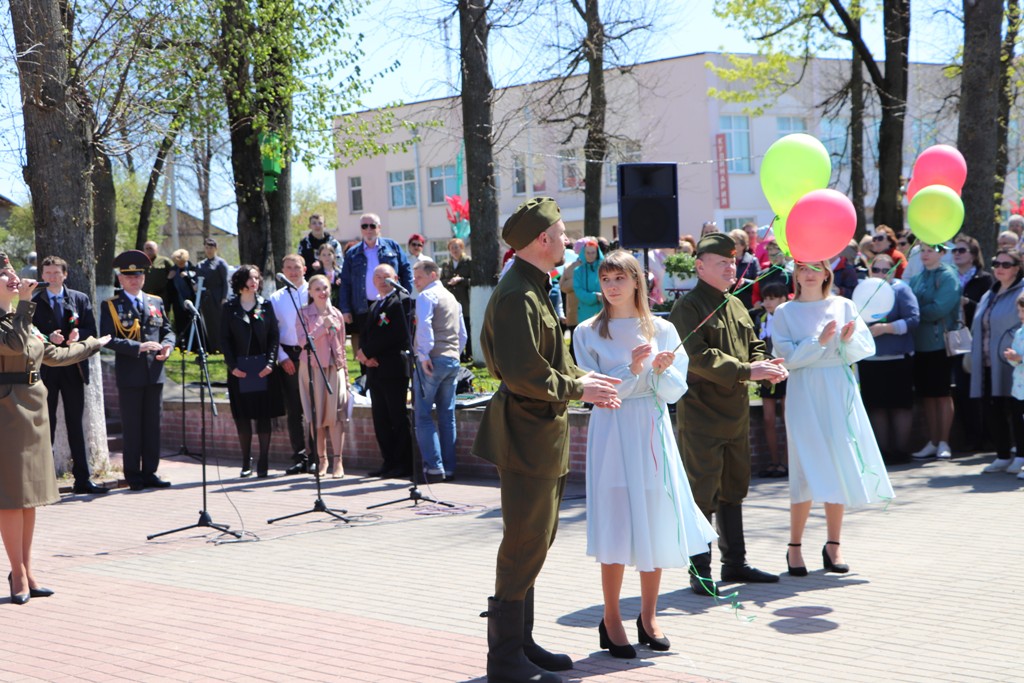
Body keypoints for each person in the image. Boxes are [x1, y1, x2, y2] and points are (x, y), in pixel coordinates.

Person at [473, 197, 622, 682]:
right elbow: (523, 374)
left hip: (540, 433)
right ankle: (504, 659)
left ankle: (521, 643)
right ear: (541, 240)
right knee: (524, 541)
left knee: (536, 540)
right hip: (525, 433)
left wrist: (584, 378)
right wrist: (580, 389)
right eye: (560, 234)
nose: (567, 240)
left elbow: (551, 360)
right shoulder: (518, 294)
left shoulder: (533, 286)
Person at [574, 250, 717, 658]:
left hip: (652, 431)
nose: (612, 286)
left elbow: (674, 391)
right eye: (606, 279)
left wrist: (661, 370)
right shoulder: (586, 332)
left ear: (637, 280)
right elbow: (593, 390)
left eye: (620, 278)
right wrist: (633, 371)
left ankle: (649, 616)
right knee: (616, 522)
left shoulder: (664, 329)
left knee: (654, 518)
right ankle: (611, 618)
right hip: (612, 431)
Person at [669, 232, 787, 597]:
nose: (730, 268)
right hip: (702, 414)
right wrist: (748, 370)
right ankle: (700, 570)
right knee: (702, 492)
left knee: (734, 488)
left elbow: (753, 344)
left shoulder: (734, 304)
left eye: (733, 262)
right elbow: (697, 356)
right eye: (722, 263)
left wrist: (765, 364)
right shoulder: (688, 307)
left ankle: (735, 562)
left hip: (734, 414)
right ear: (700, 266)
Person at [771, 260, 894, 577]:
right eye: (803, 268)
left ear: (827, 272)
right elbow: (786, 358)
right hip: (804, 390)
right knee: (804, 465)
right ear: (795, 274)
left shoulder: (843, 305)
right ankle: (794, 546)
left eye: (816, 267)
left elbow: (864, 348)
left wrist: (849, 339)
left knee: (839, 460)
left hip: (838, 387)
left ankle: (833, 544)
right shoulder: (784, 312)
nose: (809, 274)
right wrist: (820, 341)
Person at [0, 253, 109, 604]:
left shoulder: (22, 318)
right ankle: (17, 574)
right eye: (5, 275)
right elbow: (14, 345)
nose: (14, 278)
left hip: (34, 410)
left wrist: (93, 344)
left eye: (13, 272)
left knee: (29, 497)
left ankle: (26, 570)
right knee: (11, 497)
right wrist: (25, 302)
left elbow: (52, 354)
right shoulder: (16, 317)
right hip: (7, 412)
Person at [31, 256, 107, 495]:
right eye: (48, 273)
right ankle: (45, 481)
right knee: (47, 424)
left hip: (74, 368)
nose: (52, 277)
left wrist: (78, 335)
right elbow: (29, 334)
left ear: (65, 275)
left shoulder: (79, 298)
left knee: (76, 423)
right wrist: (48, 337)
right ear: (42, 276)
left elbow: (91, 330)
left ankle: (82, 479)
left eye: (57, 273)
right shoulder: (34, 301)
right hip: (47, 369)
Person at [100, 250, 176, 491]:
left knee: (153, 426)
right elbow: (108, 338)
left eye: (138, 276)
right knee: (132, 427)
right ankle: (133, 475)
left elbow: (167, 330)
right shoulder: (111, 305)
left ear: (144, 277)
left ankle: (150, 472)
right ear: (120, 279)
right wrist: (137, 347)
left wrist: (168, 345)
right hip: (130, 374)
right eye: (129, 276)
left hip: (155, 372)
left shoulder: (156, 302)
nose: (134, 280)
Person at [221, 266, 285, 478]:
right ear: (240, 281)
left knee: (263, 416)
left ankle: (263, 460)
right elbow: (224, 340)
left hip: (263, 369)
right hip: (239, 370)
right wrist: (233, 366)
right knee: (243, 417)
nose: (254, 281)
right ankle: (245, 459)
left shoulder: (265, 305)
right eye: (250, 278)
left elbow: (274, 336)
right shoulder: (229, 307)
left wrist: (270, 363)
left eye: (257, 278)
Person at [858, 253, 920, 464]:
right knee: (876, 406)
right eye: (876, 270)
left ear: (894, 271)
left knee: (900, 405)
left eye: (886, 270)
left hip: (898, 358)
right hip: (870, 360)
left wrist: (887, 328)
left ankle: (901, 451)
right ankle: (883, 453)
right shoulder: (863, 291)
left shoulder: (901, 290)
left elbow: (914, 319)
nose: (881, 274)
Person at [356, 265, 414, 479]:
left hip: (393, 368)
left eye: (386, 276)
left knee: (397, 417)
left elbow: (397, 334)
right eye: (378, 277)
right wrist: (364, 355)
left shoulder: (401, 301)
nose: (382, 280)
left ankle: (404, 463)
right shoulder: (375, 304)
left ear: (395, 278)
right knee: (380, 418)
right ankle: (388, 461)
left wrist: (368, 352)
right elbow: (365, 333)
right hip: (374, 369)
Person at [412, 260, 467, 482]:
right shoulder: (452, 298)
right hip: (452, 359)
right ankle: (449, 468)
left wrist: (424, 354)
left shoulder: (427, 296)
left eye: (419, 277)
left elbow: (424, 325)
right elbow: (462, 334)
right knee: (447, 415)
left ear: (433, 275)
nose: (415, 281)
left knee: (423, 415)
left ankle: (434, 468)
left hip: (433, 360)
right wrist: (455, 354)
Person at [971, 248, 1024, 473]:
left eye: (1006, 264)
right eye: (996, 264)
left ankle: (1020, 455)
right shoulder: (989, 294)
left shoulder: (1021, 292)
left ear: (1017, 268)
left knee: (1016, 409)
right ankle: (1002, 454)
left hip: (1014, 363)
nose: (999, 268)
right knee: (992, 407)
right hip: (987, 361)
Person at [908, 244, 962, 460]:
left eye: (931, 250)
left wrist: (914, 314)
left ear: (942, 253)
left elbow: (940, 308)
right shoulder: (918, 278)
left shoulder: (948, 276)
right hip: (919, 343)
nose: (925, 254)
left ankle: (944, 441)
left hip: (940, 343)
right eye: (923, 250)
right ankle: (933, 440)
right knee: (927, 395)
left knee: (942, 394)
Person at [339, 213, 412, 360]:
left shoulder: (392, 246)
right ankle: (368, 374)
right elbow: (345, 282)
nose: (368, 229)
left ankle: (391, 371)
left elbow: (406, 271)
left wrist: (405, 296)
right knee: (366, 345)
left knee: (391, 341)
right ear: (360, 229)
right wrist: (345, 309)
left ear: (379, 227)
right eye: (364, 226)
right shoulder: (352, 253)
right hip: (364, 306)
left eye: (372, 226)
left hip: (391, 303)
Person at [297, 274, 350, 478]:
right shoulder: (303, 313)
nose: (322, 292)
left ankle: (338, 461)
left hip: (334, 368)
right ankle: (322, 460)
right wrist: (322, 327)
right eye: (318, 289)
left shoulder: (337, 314)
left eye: (325, 288)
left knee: (336, 416)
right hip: (312, 368)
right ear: (310, 292)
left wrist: (346, 377)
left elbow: (342, 346)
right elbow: (303, 342)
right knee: (316, 416)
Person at [269, 254, 313, 475]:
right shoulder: (275, 298)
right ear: (283, 270)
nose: (293, 272)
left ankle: (316, 456)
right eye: (288, 268)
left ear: (304, 269)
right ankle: (299, 456)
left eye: (297, 267)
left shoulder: (313, 291)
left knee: (313, 408)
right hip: (289, 356)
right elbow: (272, 332)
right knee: (294, 410)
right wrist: (282, 357)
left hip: (311, 355)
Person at [750, 281, 791, 477]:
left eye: (772, 298)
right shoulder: (760, 318)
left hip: (786, 371)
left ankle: (786, 462)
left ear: (783, 299)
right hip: (768, 371)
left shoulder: (789, 317)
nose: (767, 302)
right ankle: (774, 462)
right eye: (765, 298)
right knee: (768, 419)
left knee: (787, 418)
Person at [1001, 293, 1024, 480]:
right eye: (1019, 311)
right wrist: (1012, 357)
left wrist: (1020, 357)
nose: (1021, 315)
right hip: (1019, 388)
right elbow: (1016, 360)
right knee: (1019, 423)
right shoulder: (1019, 332)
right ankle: (1020, 456)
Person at [440, 237, 472, 360]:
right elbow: (441, 281)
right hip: (451, 300)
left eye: (456, 247)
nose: (454, 250)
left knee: (466, 327)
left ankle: (469, 353)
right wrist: (449, 281)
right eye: (452, 248)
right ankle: (459, 353)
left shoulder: (468, 261)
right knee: (454, 327)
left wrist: (461, 280)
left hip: (465, 299)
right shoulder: (446, 264)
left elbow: (474, 280)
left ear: (461, 248)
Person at [196, 237, 229, 354]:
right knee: (209, 323)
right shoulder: (201, 264)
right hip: (206, 297)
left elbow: (225, 282)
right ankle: (213, 348)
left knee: (219, 323)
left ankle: (223, 347)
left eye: (211, 248)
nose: (209, 250)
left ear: (215, 249)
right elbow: (198, 280)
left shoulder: (221, 263)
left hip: (218, 297)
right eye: (207, 247)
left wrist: (224, 298)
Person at [168, 248, 198, 348]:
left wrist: (187, 276)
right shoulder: (173, 270)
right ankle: (182, 346)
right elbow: (169, 289)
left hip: (192, 302)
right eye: (178, 263)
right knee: (180, 324)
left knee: (193, 323)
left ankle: (194, 346)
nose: (180, 265)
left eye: (182, 263)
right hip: (178, 303)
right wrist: (169, 279)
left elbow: (195, 285)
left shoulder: (193, 268)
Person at [573, 239, 604, 325]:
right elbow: (578, 291)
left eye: (593, 252)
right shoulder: (578, 271)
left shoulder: (604, 269)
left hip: (603, 310)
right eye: (588, 253)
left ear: (597, 253)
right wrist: (595, 296)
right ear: (584, 253)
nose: (590, 255)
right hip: (585, 312)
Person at [729, 228, 760, 309]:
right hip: (730, 303)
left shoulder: (752, 261)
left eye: (735, 243)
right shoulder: (726, 261)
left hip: (747, 303)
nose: (732, 246)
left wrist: (745, 282)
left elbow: (759, 283)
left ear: (743, 245)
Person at [142, 241, 175, 314]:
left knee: (162, 316)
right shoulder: (141, 262)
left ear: (156, 249)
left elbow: (174, 271)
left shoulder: (164, 261)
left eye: (151, 248)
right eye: (147, 249)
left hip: (161, 296)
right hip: (145, 296)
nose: (149, 251)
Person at [311, 242, 343, 308]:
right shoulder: (316, 275)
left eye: (329, 254)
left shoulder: (340, 273)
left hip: (339, 307)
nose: (327, 257)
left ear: (334, 256)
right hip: (322, 307)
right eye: (324, 255)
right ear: (319, 257)